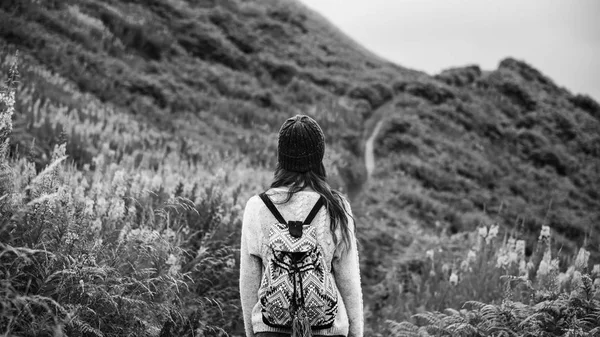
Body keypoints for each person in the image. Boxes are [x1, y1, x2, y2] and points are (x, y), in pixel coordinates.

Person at [239, 115, 364, 337]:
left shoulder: (257, 207)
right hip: (327, 329)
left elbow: (249, 283)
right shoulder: (336, 206)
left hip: (271, 331)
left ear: (281, 156)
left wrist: (254, 332)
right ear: (319, 156)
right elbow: (349, 282)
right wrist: (356, 334)